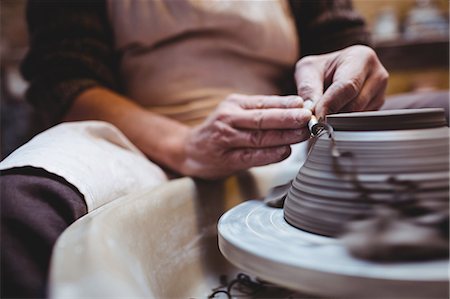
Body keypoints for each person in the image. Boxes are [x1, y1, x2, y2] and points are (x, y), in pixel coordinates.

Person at [0, 0, 446, 297]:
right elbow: (65, 79)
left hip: (290, 127)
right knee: (18, 204)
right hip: (142, 137)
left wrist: (350, 66)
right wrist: (186, 147)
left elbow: (338, 39)